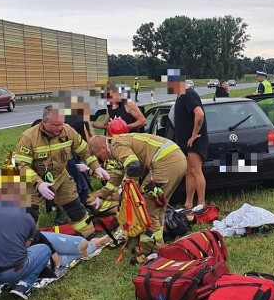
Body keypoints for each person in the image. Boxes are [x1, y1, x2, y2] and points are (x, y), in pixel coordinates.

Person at [15, 105, 110, 239]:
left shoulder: (68, 131)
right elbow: (22, 165)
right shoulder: (28, 137)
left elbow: (84, 150)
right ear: (44, 122)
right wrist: (39, 184)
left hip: (60, 176)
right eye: (55, 125)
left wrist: (96, 166)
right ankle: (30, 242)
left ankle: (89, 235)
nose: (60, 128)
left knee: (75, 207)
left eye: (61, 123)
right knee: (30, 214)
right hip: (34, 181)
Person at [88, 132, 186, 254]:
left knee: (146, 210)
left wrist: (129, 188)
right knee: (158, 207)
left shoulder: (116, 146)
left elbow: (133, 166)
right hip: (176, 160)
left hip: (165, 163)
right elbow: (115, 178)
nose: (102, 159)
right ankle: (153, 247)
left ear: (103, 147)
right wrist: (102, 196)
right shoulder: (118, 146)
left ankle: (155, 251)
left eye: (99, 156)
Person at [0, 171, 54, 300]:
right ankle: (24, 286)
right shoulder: (27, 217)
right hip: (13, 271)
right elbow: (25, 246)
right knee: (44, 249)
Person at [171, 78, 208, 211]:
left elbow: (199, 114)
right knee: (188, 172)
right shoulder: (180, 96)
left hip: (194, 140)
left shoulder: (188, 94)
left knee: (196, 171)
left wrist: (193, 135)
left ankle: (202, 203)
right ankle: (188, 204)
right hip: (184, 142)